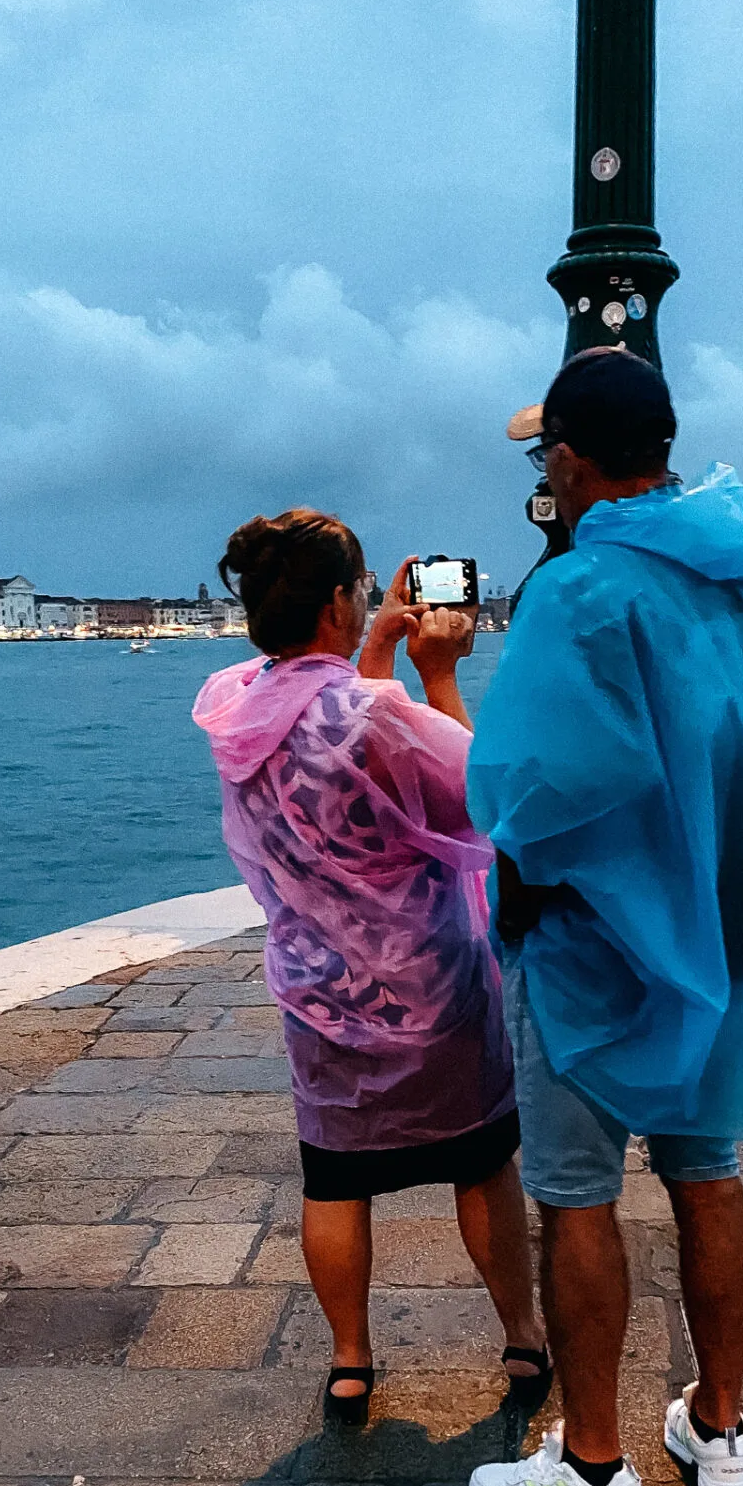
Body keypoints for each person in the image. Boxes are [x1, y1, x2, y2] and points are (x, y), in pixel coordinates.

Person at [464, 348, 743, 1486]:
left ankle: (592, 1476)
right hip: (726, 935)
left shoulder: (579, 589)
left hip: (594, 949)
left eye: (547, 456)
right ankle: (721, 1433)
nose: (548, 475)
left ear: (574, 462)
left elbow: (525, 785)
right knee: (705, 1172)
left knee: (576, 1200)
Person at [193, 508, 550, 1425]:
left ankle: (351, 1360)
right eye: (357, 592)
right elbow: (484, 795)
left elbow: (341, 765)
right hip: (432, 985)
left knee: (335, 1176)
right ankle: (521, 1336)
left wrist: (375, 658)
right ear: (336, 603)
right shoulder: (377, 711)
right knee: (481, 1163)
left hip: (317, 987)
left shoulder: (233, 705)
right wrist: (437, 673)